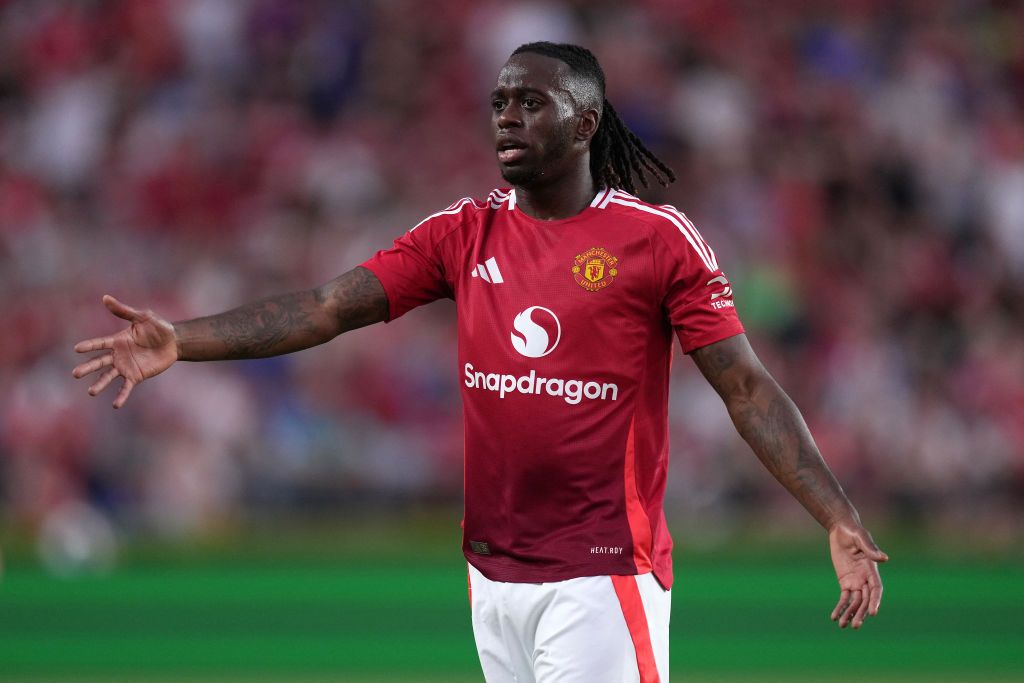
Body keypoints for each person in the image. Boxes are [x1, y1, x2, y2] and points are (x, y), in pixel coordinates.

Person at [73, 42, 887, 682]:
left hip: (601, 577)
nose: (506, 116)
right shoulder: (463, 232)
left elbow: (745, 385)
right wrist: (183, 338)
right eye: (499, 102)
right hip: (491, 577)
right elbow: (324, 308)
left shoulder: (655, 239)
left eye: (531, 102)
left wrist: (836, 516)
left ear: (585, 123)